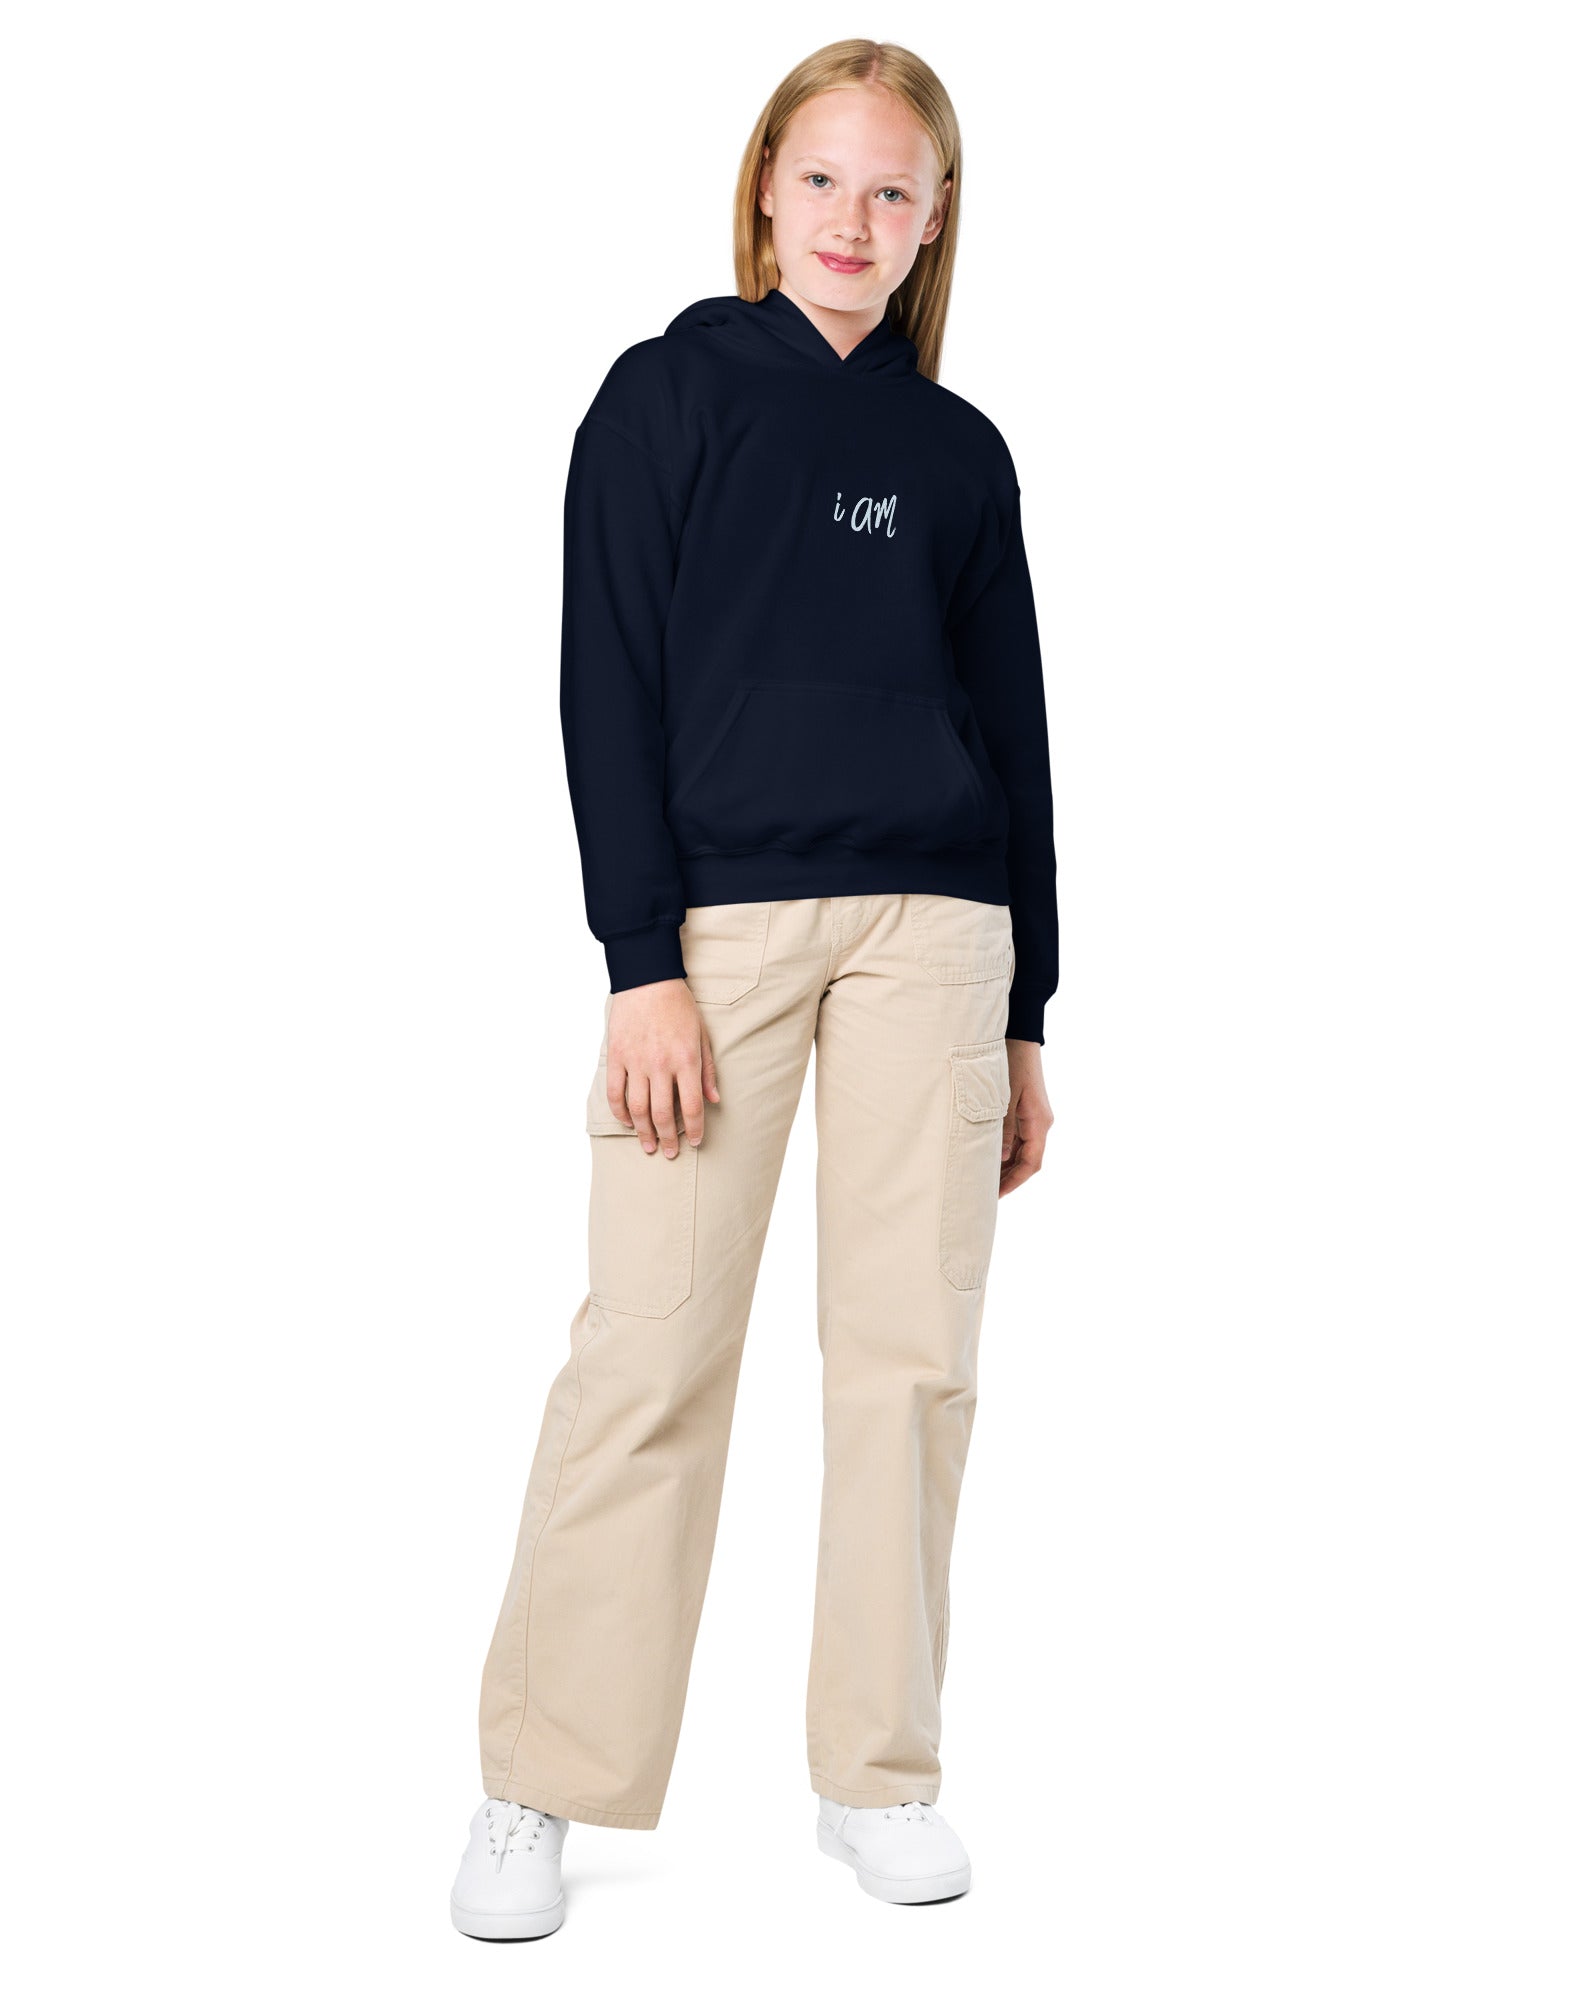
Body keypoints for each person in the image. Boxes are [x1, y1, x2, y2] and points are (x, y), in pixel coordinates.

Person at [451, 37, 1058, 1940]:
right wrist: (640, 963)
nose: (852, 222)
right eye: (823, 181)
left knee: (910, 1362)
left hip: (937, 936)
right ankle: (542, 1781)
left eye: (893, 191)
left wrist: (1031, 1008)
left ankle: (879, 1773)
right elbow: (603, 684)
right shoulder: (666, 396)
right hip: (718, 941)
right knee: (649, 1351)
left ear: (935, 219)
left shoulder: (960, 455)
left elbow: (1019, 735)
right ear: (764, 189)